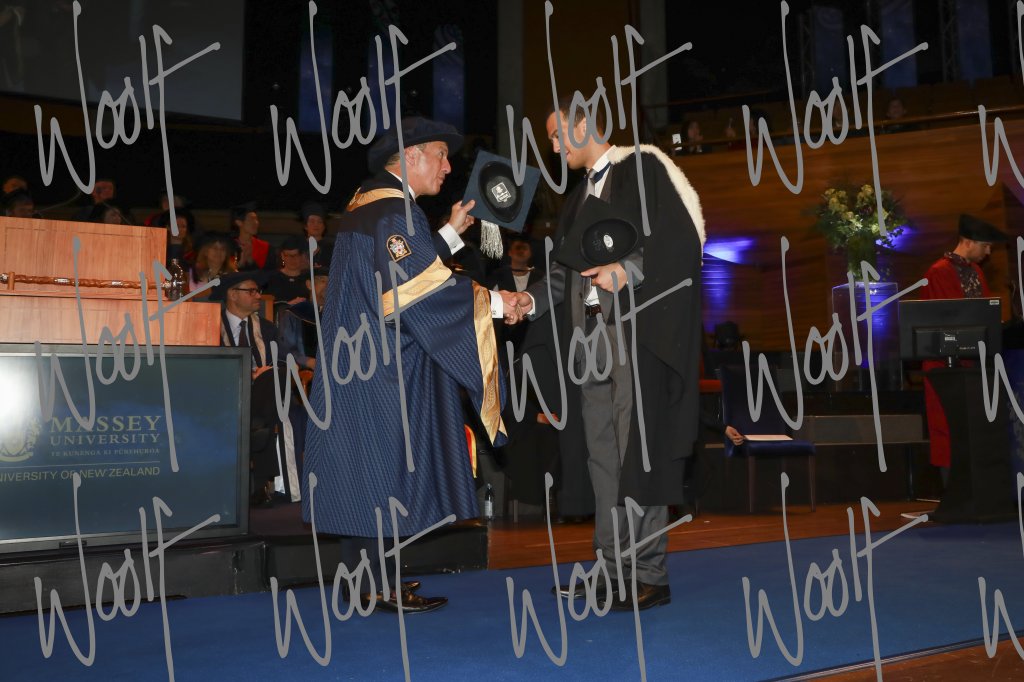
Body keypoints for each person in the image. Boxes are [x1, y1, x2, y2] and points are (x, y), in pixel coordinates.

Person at [302, 116, 514, 614]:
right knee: (385, 475)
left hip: (359, 364)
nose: (448, 167)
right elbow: (416, 291)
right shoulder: (395, 211)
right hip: (384, 371)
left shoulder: (367, 206)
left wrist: (449, 234)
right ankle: (380, 589)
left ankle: (369, 582)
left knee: (365, 475)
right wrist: (496, 303)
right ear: (411, 156)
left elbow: (401, 270)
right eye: (440, 155)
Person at [506, 98, 705, 611]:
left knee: (639, 455)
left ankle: (649, 574)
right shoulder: (577, 198)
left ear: (583, 124)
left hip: (635, 338)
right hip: (588, 343)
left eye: (557, 135)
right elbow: (563, 272)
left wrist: (628, 270)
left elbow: (679, 242)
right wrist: (530, 301)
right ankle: (612, 569)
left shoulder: (644, 169)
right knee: (600, 459)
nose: (553, 146)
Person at [920, 214, 1008, 483]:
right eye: (985, 245)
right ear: (968, 242)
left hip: (973, 363)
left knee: (974, 428)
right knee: (948, 427)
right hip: (945, 366)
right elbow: (946, 321)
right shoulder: (939, 272)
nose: (988, 252)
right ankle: (953, 489)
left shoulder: (976, 272)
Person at [212, 270, 290, 506]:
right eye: (252, 291)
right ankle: (260, 482)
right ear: (232, 294)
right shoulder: (211, 325)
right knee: (263, 420)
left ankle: (255, 426)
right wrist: (245, 374)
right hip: (225, 392)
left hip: (262, 392)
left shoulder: (266, 328)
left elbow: (282, 360)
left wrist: (263, 373)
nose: (258, 296)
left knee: (277, 376)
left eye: (258, 291)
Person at [264, 234, 309, 308]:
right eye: (288, 255)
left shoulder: (309, 278)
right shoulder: (272, 279)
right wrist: (288, 305)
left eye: (295, 255)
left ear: (302, 256)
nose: (292, 259)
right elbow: (265, 305)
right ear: (282, 255)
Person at [189, 232, 238, 297]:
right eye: (215, 248)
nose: (219, 252)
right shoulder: (193, 272)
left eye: (223, 249)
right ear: (205, 252)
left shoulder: (233, 274)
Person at [231, 202, 272, 271]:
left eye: (256, 219)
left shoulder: (266, 247)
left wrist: (250, 260)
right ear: (239, 222)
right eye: (251, 219)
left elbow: (270, 273)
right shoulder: (230, 246)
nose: (256, 223)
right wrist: (241, 262)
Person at [299, 201, 332, 269]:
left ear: (324, 226)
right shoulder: (298, 246)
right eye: (312, 221)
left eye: (320, 222)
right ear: (305, 226)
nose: (316, 225)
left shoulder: (331, 248)